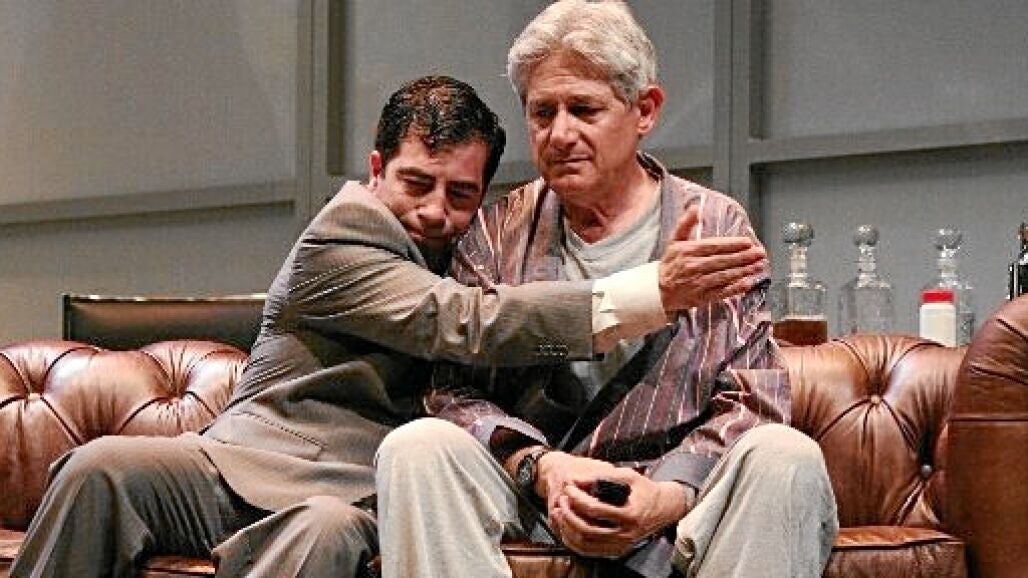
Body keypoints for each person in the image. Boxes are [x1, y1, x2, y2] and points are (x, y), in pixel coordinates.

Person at [10, 74, 731, 578]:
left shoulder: (485, 252)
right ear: (378, 168)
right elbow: (461, 323)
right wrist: (650, 292)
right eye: (417, 183)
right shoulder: (345, 234)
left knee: (325, 531)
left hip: (359, 495)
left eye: (461, 194)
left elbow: (504, 339)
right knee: (101, 466)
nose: (435, 211)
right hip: (243, 465)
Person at [375, 3, 839, 578]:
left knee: (786, 456)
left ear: (645, 110)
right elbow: (452, 391)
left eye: (584, 109)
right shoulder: (496, 233)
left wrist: (667, 495)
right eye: (542, 112)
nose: (560, 134)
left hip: (676, 495)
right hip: (534, 490)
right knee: (417, 447)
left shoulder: (714, 226)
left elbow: (752, 397)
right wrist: (542, 469)